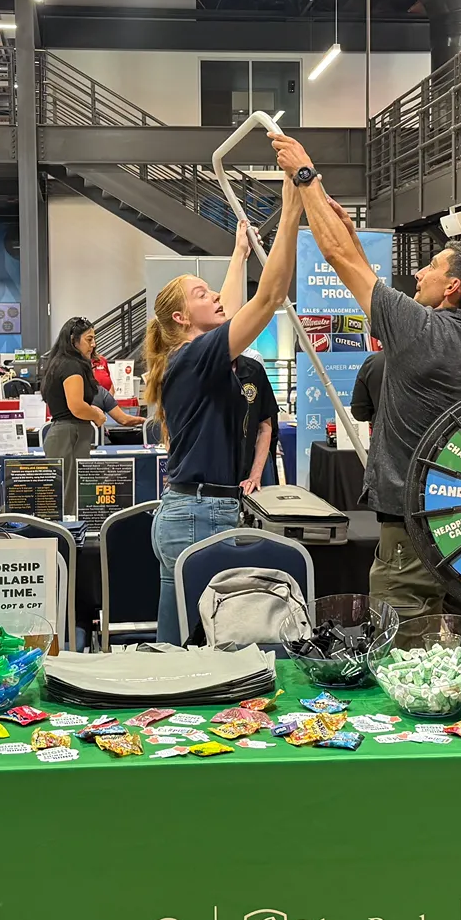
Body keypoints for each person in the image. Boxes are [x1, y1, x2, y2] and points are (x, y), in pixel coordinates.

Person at [273, 133, 461, 620]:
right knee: (456, 646)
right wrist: (343, 226)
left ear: (452, 287)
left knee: (403, 648)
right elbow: (352, 259)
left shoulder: (421, 331)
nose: (419, 274)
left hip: (411, 529)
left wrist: (305, 173)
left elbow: (336, 259)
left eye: (433, 267)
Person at [145, 197, 301, 644]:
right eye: (201, 294)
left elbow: (227, 308)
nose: (213, 296)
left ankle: (166, 707)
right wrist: (290, 211)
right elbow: (268, 297)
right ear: (180, 317)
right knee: (212, 642)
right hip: (200, 513)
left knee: (176, 641)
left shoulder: (195, 355)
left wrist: (238, 256)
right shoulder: (196, 356)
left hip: (190, 509)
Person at [39, 316, 111, 490]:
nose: (93, 344)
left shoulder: (59, 363)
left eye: (94, 339)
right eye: (89, 339)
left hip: (66, 434)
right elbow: (76, 406)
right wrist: (97, 415)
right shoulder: (72, 366)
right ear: (73, 340)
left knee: (67, 494)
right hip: (69, 435)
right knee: (70, 497)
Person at [235, 350, 281, 491]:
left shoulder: (254, 369)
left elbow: (265, 428)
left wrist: (255, 475)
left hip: (247, 474)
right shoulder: (195, 369)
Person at [349, 349, 387, 428]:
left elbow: (359, 412)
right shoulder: (418, 359)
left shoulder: (373, 362)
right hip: (417, 435)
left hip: (384, 433)